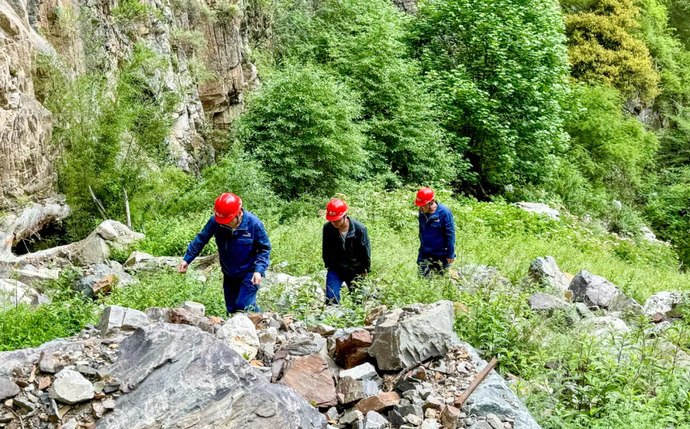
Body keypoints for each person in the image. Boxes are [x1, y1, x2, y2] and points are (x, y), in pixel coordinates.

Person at [178, 193, 271, 314]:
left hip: (250, 272)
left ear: (238, 214)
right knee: (231, 309)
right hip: (229, 272)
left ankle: (262, 318)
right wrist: (187, 259)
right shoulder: (216, 221)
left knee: (244, 306)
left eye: (228, 221)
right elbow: (201, 239)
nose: (224, 223)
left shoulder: (254, 224)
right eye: (222, 221)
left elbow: (264, 249)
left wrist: (259, 271)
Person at [322, 198, 371, 305]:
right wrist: (328, 264)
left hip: (355, 269)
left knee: (358, 300)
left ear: (345, 215)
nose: (335, 223)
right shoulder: (328, 228)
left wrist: (365, 270)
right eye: (332, 220)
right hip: (335, 268)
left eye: (337, 220)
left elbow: (365, 252)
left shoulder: (360, 229)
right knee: (331, 298)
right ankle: (333, 315)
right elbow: (326, 249)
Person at [415, 187, 455, 277]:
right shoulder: (422, 212)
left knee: (440, 280)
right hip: (425, 253)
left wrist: (450, 254)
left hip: (440, 255)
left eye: (423, 205)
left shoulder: (445, 213)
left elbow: (450, 235)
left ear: (431, 202)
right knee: (422, 279)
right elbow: (421, 231)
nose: (421, 208)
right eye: (419, 206)